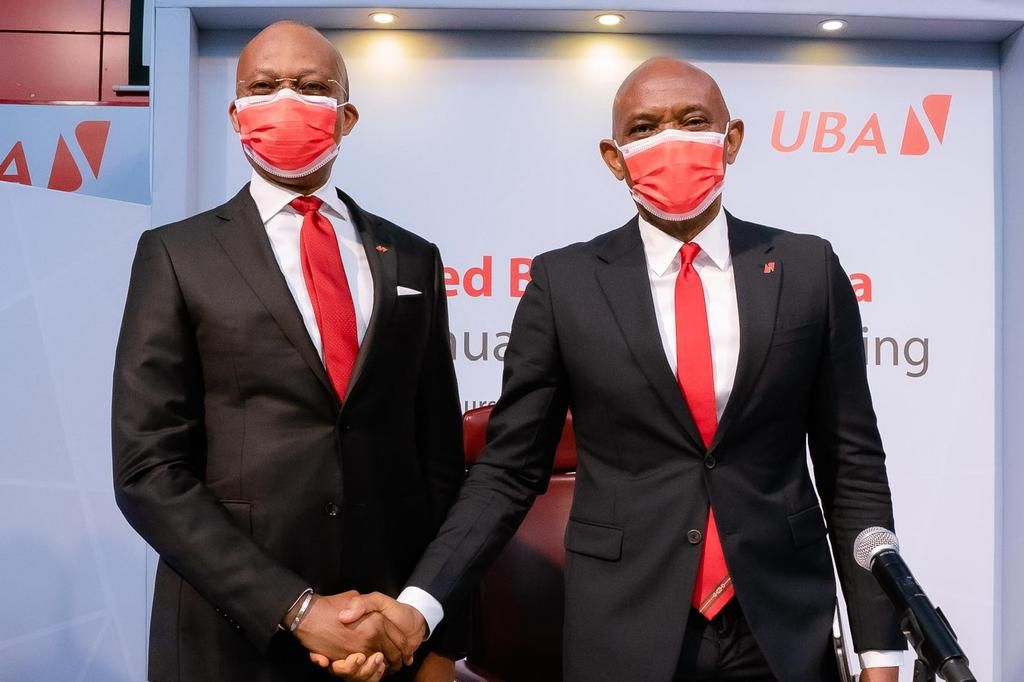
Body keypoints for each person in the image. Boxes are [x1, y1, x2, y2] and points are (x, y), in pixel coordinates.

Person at [326, 57, 908, 681]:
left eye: (693, 121)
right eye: (644, 128)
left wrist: (880, 652)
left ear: (731, 139)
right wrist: (418, 607)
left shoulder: (807, 269)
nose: (670, 140)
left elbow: (852, 466)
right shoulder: (565, 284)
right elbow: (508, 469)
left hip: (782, 630)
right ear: (614, 157)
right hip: (625, 630)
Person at [112, 21, 465, 682]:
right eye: (263, 86)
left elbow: (439, 463)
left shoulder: (412, 256)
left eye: (310, 86)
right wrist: (295, 608)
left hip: (385, 636)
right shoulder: (176, 255)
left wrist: (440, 634)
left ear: (346, 117)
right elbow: (148, 470)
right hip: (229, 637)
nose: (285, 100)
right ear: (236, 114)